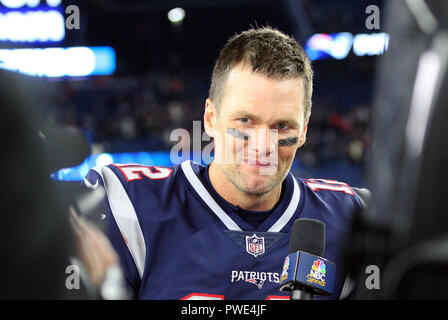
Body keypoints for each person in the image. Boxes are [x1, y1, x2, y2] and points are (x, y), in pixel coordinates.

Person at [84, 27, 368, 300]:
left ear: (304, 130)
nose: (262, 145)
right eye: (246, 120)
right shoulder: (130, 205)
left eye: (282, 126)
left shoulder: (348, 217)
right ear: (210, 118)